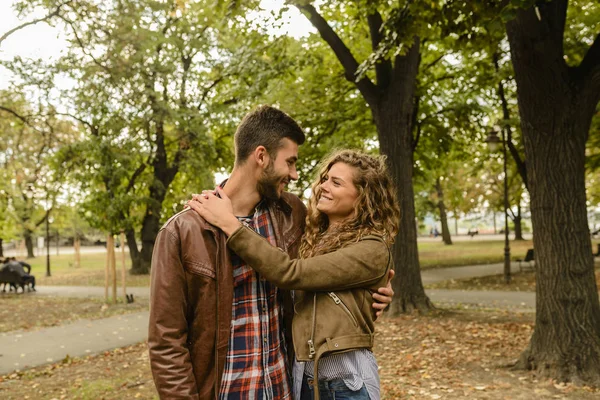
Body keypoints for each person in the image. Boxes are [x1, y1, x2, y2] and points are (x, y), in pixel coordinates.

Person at [148, 106, 394, 399]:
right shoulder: (183, 231)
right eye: (290, 162)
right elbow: (166, 342)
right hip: (227, 392)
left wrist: (375, 291)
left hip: (285, 387)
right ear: (261, 156)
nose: (295, 173)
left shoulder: (293, 215)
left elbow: (340, 250)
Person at [189, 149, 399, 400]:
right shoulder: (312, 237)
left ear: (363, 197)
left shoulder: (371, 248)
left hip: (346, 383)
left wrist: (231, 225)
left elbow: (291, 273)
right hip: (304, 379)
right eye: (324, 179)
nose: (323, 187)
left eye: (336, 182)